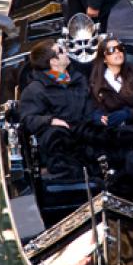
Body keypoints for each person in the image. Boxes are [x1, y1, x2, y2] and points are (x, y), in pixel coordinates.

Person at [19, 38, 95, 180]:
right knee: (56, 135)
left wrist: (96, 117)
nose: (66, 51)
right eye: (61, 51)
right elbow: (28, 119)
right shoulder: (35, 89)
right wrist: (51, 120)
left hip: (84, 131)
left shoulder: (78, 79)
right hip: (60, 142)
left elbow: (90, 104)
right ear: (53, 61)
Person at [88, 36, 133, 143]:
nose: (118, 52)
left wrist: (126, 114)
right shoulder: (96, 83)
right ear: (104, 58)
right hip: (111, 134)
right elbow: (94, 109)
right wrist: (99, 117)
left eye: (120, 48)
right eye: (111, 50)